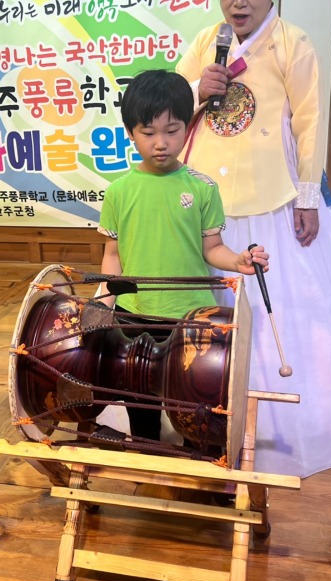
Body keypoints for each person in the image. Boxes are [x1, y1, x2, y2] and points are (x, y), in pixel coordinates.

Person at [176, 0, 331, 477]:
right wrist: (196, 90)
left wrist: (307, 198)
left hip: (274, 197)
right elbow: (168, 104)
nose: (239, 3)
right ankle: (200, 406)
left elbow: (310, 123)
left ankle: (290, 421)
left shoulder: (295, 43)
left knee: (293, 305)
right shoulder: (206, 42)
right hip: (207, 201)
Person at [96, 69, 268, 442]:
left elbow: (213, 249)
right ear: (130, 133)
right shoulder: (118, 192)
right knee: (137, 394)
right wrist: (104, 304)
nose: (161, 143)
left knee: (192, 396)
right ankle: (146, 448)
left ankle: (196, 453)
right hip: (134, 310)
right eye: (148, 133)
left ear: (187, 128)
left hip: (191, 315)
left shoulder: (203, 188)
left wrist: (238, 261)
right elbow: (113, 256)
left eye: (172, 131)